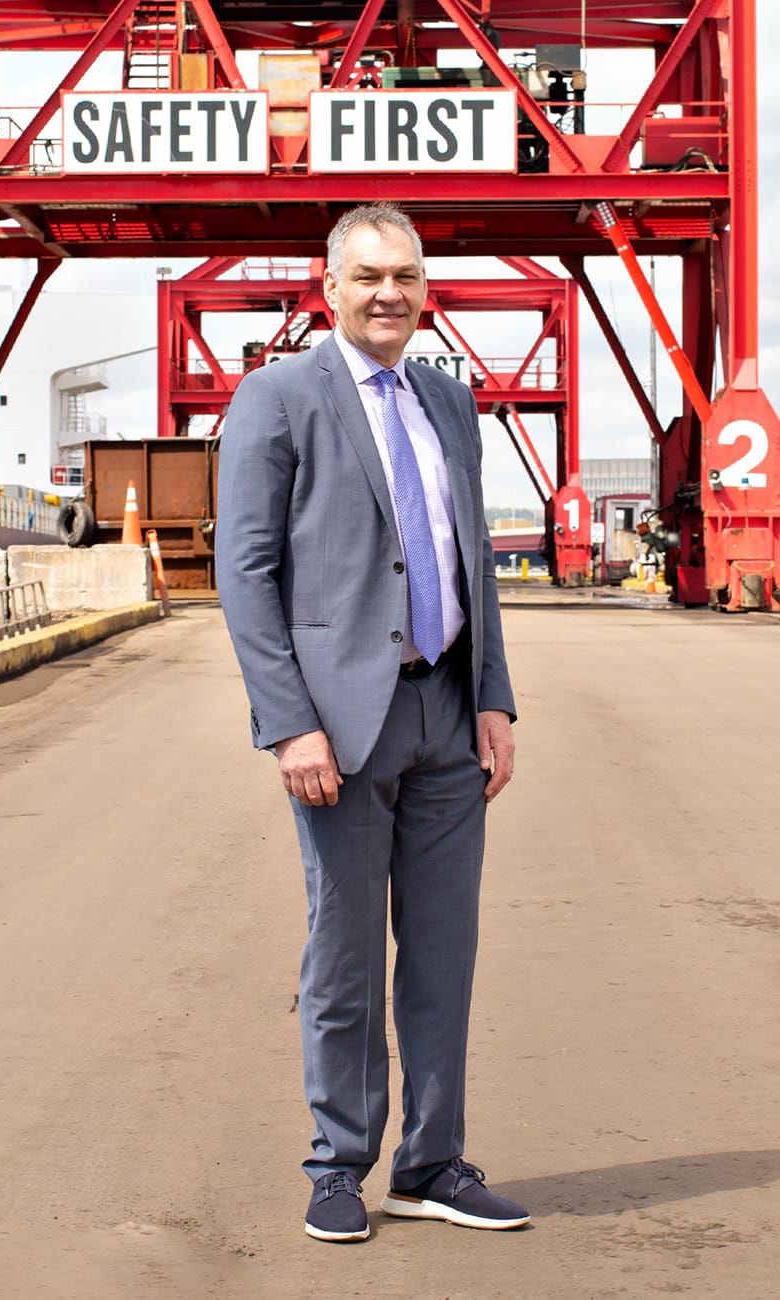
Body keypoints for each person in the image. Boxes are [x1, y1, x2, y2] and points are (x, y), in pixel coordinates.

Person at [215, 202, 530, 1242]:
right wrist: (287, 722)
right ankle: (338, 1163)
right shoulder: (278, 396)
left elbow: (469, 558)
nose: (386, 292)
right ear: (329, 285)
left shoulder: (446, 401)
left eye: (403, 275)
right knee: (344, 957)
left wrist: (492, 696)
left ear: (423, 287)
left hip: (445, 707)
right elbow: (246, 571)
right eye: (366, 276)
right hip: (341, 729)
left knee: (444, 952)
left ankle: (430, 1161)